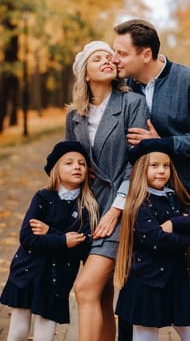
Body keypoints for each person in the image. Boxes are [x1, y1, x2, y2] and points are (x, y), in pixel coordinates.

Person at [112, 19, 190, 341]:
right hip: (138, 199)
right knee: (134, 278)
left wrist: (163, 143)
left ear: (145, 53)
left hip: (186, 196)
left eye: (121, 52)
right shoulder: (123, 88)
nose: (115, 58)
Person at [65, 41, 149, 341]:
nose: (106, 61)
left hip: (120, 207)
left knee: (84, 288)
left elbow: (137, 162)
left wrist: (117, 210)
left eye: (108, 57)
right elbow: (68, 162)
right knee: (100, 295)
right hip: (87, 210)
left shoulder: (132, 104)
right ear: (85, 73)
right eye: (96, 58)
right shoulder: (75, 115)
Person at [0, 141, 99, 341]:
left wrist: (49, 232)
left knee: (44, 336)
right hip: (28, 272)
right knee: (18, 332)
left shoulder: (87, 205)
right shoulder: (43, 197)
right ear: (56, 170)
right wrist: (63, 240)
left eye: (81, 163)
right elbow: (27, 237)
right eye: (69, 163)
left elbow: (82, 246)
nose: (77, 167)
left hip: (58, 279)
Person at [114, 138, 190, 341]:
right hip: (147, 282)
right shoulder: (139, 203)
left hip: (175, 281)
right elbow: (156, 240)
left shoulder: (175, 196)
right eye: (154, 165)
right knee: (146, 337)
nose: (162, 170)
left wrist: (174, 225)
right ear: (141, 169)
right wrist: (189, 238)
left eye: (166, 165)